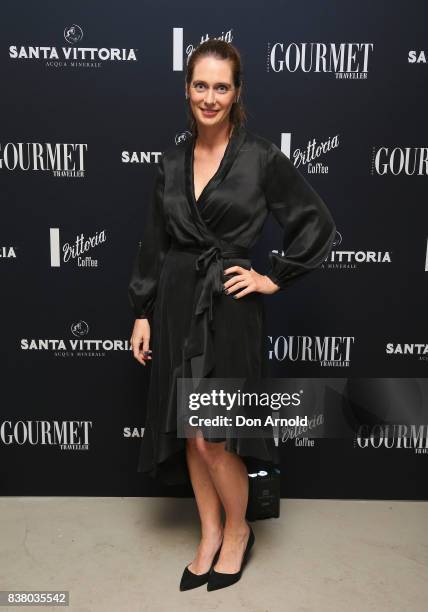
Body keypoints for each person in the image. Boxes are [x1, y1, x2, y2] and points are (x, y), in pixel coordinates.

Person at [128, 39, 336, 591]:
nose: (211, 97)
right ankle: (209, 531)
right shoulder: (171, 164)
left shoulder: (261, 157)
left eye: (222, 86)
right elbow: (154, 240)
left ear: (237, 92)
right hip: (175, 304)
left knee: (217, 436)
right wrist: (142, 310)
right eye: (201, 85)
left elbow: (316, 222)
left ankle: (239, 531)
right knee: (191, 431)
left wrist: (272, 276)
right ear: (187, 90)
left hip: (231, 308)